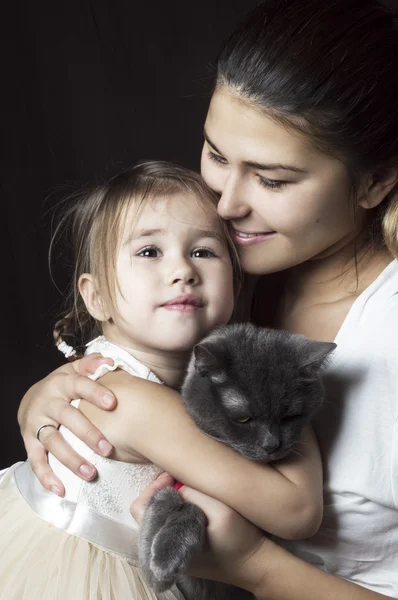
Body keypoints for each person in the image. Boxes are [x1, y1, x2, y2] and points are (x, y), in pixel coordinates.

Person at [17, 0, 398, 596]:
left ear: (376, 180)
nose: (224, 206)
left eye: (272, 179)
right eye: (217, 156)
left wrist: (256, 570)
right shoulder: (238, 273)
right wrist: (46, 399)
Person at [0, 160, 322, 600]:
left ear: (235, 279)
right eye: (149, 252)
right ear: (96, 297)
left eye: (204, 251)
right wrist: (286, 389)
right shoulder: (130, 400)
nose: (183, 271)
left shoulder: (142, 379)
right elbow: (298, 511)